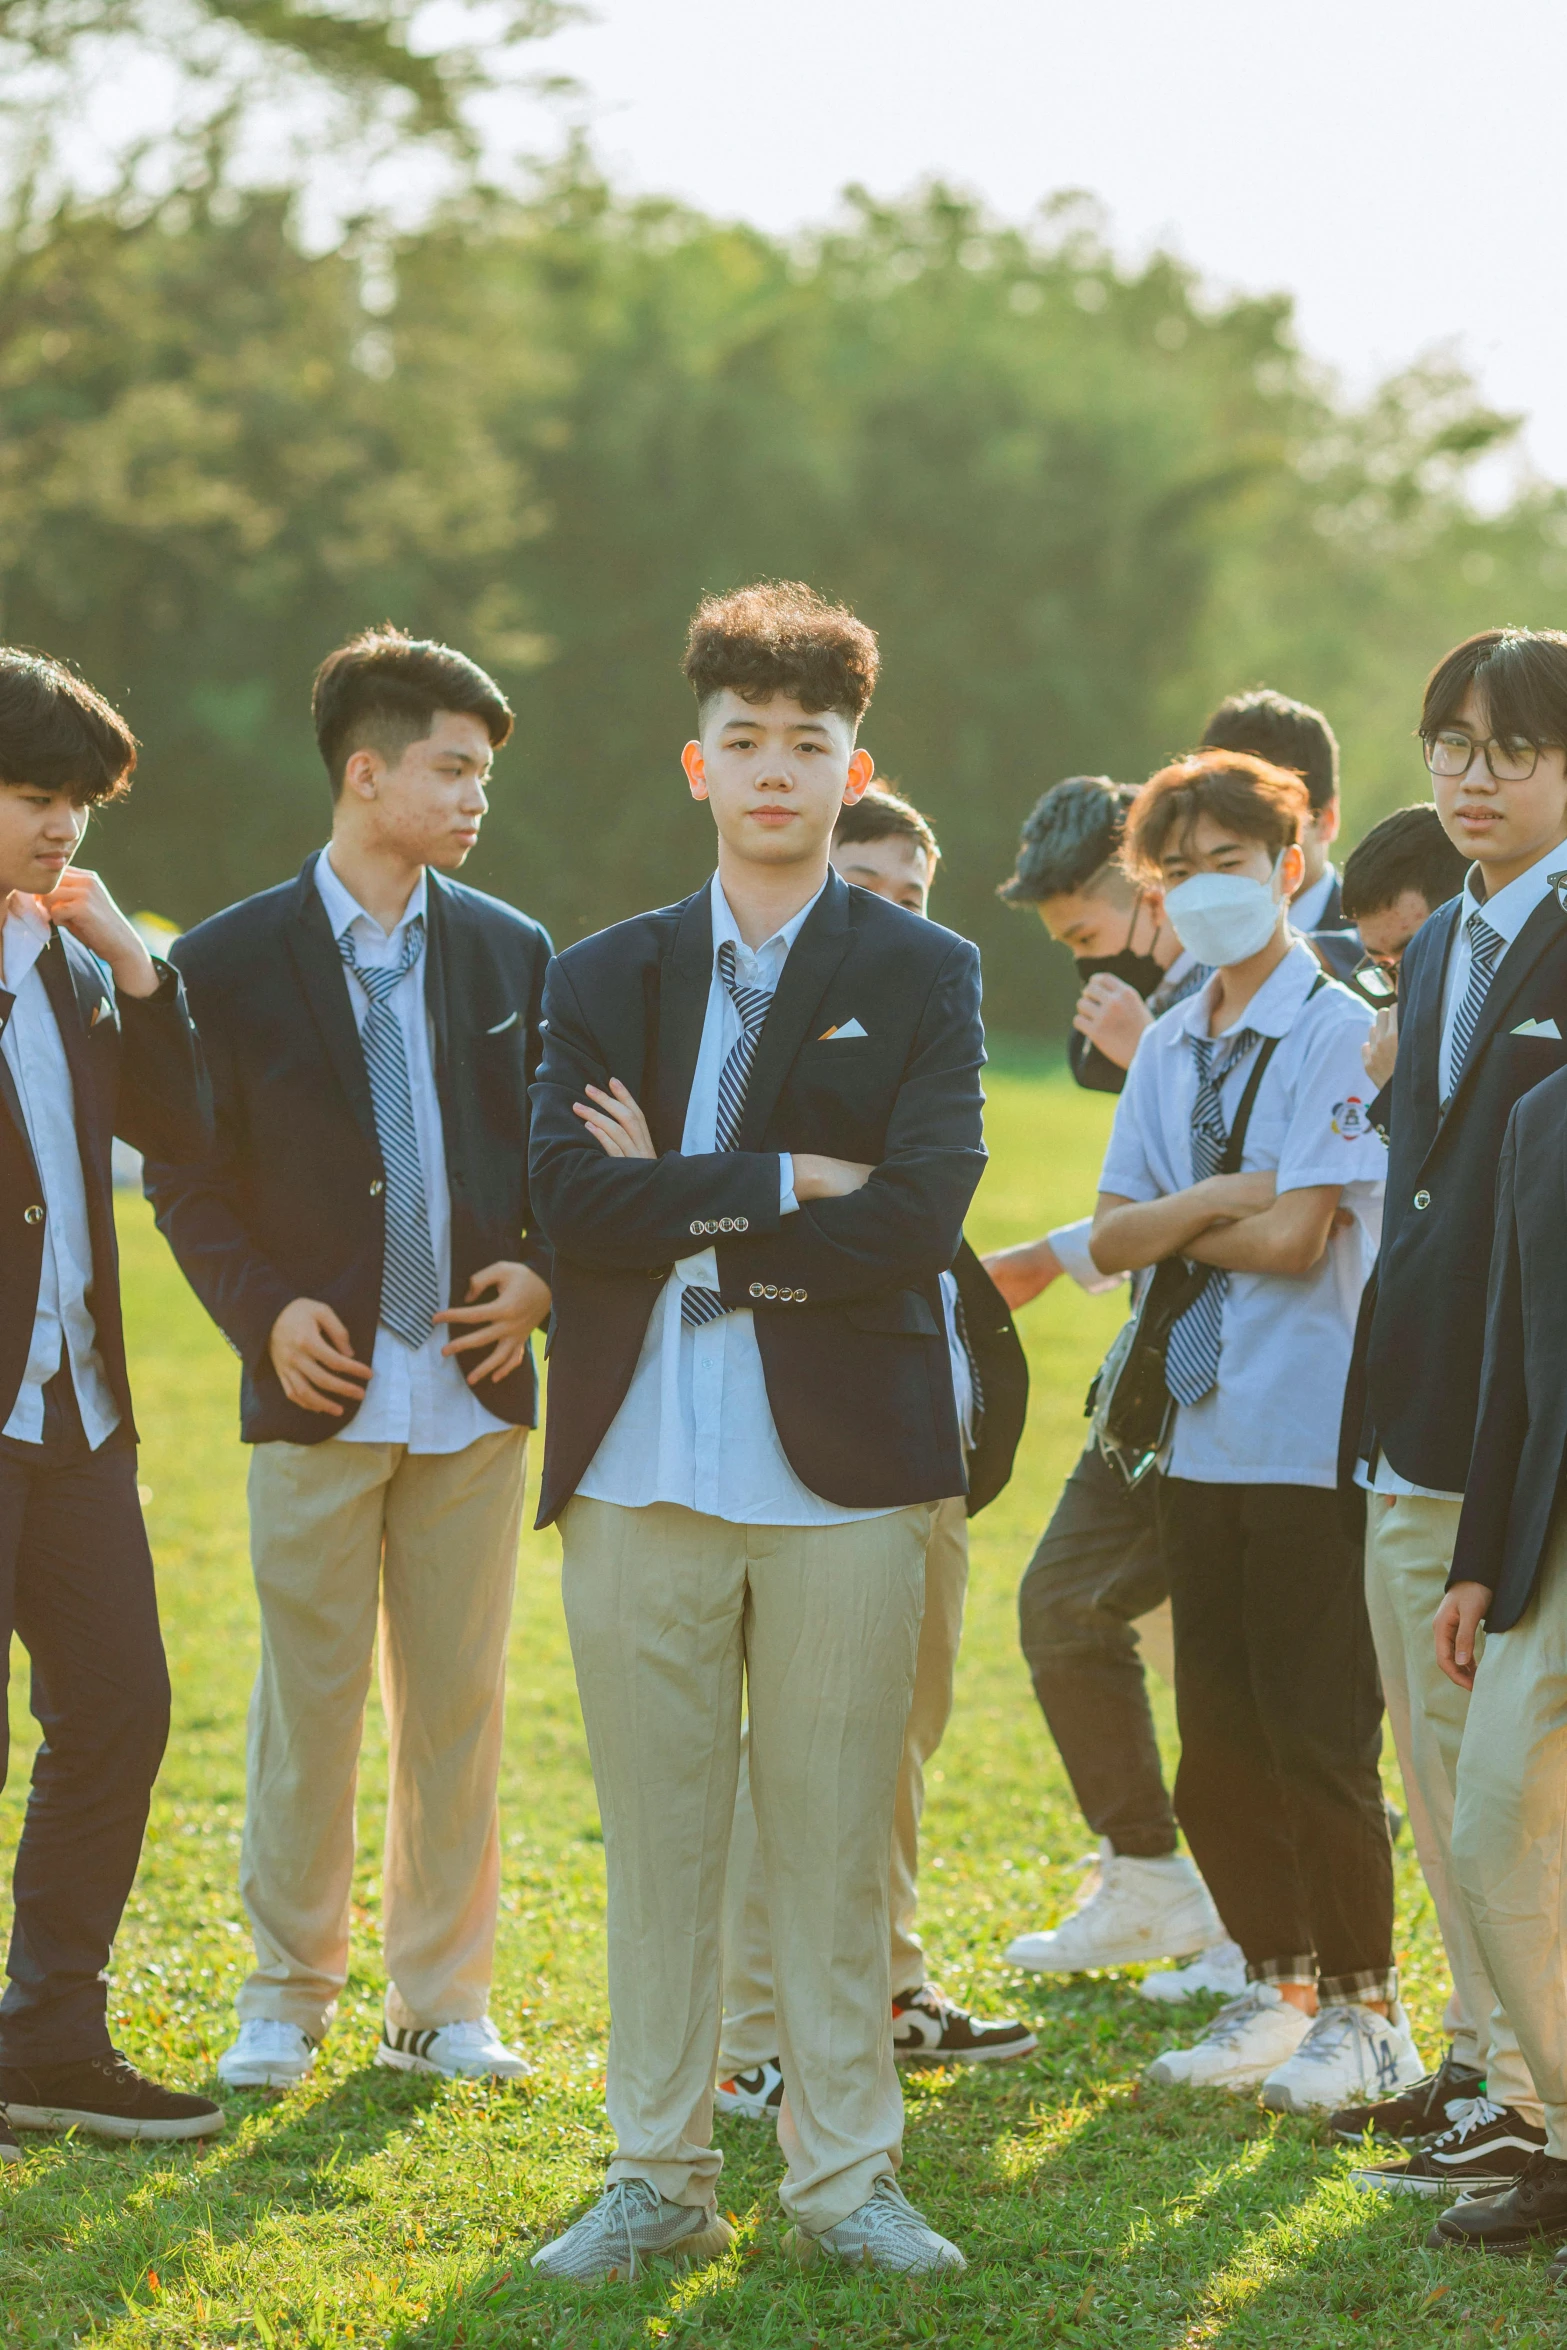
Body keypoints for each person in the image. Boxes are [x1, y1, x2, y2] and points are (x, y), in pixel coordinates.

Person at [526, 582, 985, 2284]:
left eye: (808, 743)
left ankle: (848, 2177)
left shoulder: (924, 970)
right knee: (657, 1846)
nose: (775, 770)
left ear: (849, 759)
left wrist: (677, 1197)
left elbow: (922, 1219)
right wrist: (783, 1180)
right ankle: (654, 2173)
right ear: (695, 763)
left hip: (848, 1471)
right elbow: (571, 1203)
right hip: (639, 1463)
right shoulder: (604, 972)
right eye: (745, 742)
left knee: (832, 1832)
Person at [144, 627, 552, 2092]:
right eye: (451, 768)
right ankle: (284, 1993)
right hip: (314, 1389)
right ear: (364, 771)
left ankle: (441, 2002)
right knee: (305, 1701)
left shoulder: (512, 948)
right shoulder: (228, 958)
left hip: (473, 1392)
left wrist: (544, 1275)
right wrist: (261, 1310)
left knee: (457, 1707)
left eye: (484, 774)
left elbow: (553, 1155)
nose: (473, 797)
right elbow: (186, 1179)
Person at [1091, 747, 1421, 2113]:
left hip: (1304, 1425)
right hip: (1196, 1425)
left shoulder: (1335, 1028)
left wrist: (1195, 1214)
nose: (1205, 892)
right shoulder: (1170, 1042)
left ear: (1287, 867)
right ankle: (1273, 1982)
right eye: (1179, 874)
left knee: (1316, 1734)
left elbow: (1296, 1242)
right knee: (1212, 1740)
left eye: (1231, 864)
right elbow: (1116, 1233)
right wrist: (1218, 1189)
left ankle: (1367, 2006)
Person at [714, 783, 1033, 2125]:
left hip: (922, 1441)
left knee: (895, 1733)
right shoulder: (757, 1034)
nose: (892, 920)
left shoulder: (926, 1030)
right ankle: (748, 2035)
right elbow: (740, 1237)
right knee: (782, 1746)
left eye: (913, 894)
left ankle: (889, 1987)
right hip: (796, 1436)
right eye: (868, 890)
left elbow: (920, 1220)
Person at [1337, 628, 1567, 2206]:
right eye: (1447, 745)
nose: (1470, 777)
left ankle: (1531, 2085)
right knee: (1434, 1765)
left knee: (1512, 1788)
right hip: (1416, 1407)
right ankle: (1480, 2064)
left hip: (1537, 1424)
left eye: (1508, 748)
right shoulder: (1432, 947)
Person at [0, 649, 219, 2159]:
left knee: (121, 1709)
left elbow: (188, 1133)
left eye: (77, 802)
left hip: (76, 1416)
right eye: (31, 795)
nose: (62, 826)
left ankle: (47, 2040)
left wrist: (140, 969)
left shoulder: (78, 965)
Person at [988, 776, 1232, 1990]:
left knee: (1182, 1640)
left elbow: (1251, 1196)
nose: (1087, 970)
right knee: (1083, 1610)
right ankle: (1171, 1885)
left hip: (1229, 1379)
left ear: (1143, 888)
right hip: (1151, 1376)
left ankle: (1251, 1930)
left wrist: (1145, 1063)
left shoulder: (1248, 996)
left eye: (1085, 937)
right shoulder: (1177, 1001)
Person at [1432, 1047, 1567, 2266]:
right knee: (1489, 1826)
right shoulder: (1541, 1111)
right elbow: (1513, 1353)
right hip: (1550, 1540)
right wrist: (1477, 1556)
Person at [1340, 804, 1469, 1094]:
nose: (1401, 992)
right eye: (1384, 969)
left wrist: (1400, 1091)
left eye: (1414, 956)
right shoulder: (1387, 1053)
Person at [1202, 687, 1344, 932]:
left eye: (1265, 816)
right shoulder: (1179, 940)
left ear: (1326, 820)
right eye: (1220, 814)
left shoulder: (1378, 952)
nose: (1235, 835)